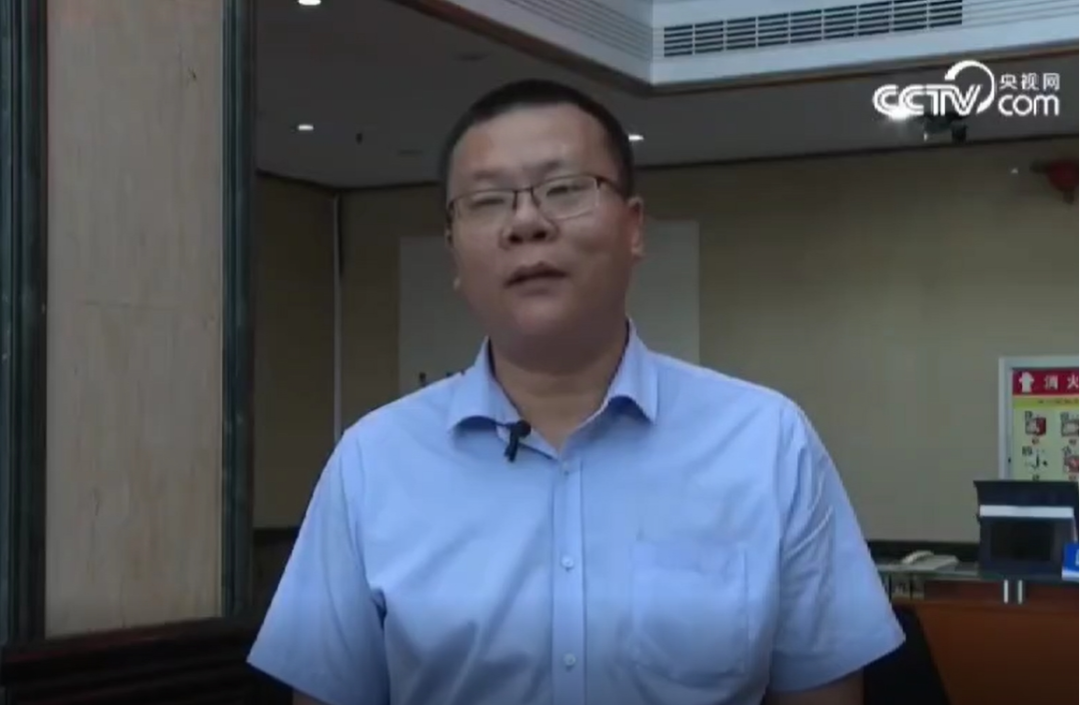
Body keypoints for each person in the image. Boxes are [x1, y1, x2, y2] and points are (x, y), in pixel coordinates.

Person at [248, 78, 904, 705]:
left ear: (634, 227)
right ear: (453, 253)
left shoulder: (766, 444)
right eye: (487, 200)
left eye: (564, 189)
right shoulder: (372, 463)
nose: (525, 223)